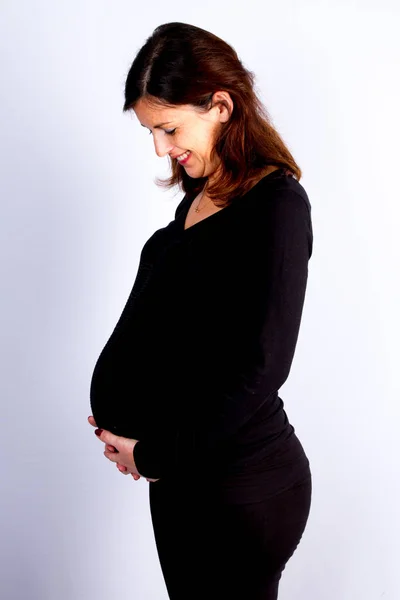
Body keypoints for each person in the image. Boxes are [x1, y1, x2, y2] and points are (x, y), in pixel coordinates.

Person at [88, 21, 314, 600]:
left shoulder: (278, 208)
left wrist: (155, 452)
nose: (161, 148)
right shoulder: (204, 191)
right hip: (186, 480)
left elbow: (261, 369)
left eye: (168, 128)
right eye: (151, 132)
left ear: (220, 104)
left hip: (240, 486)